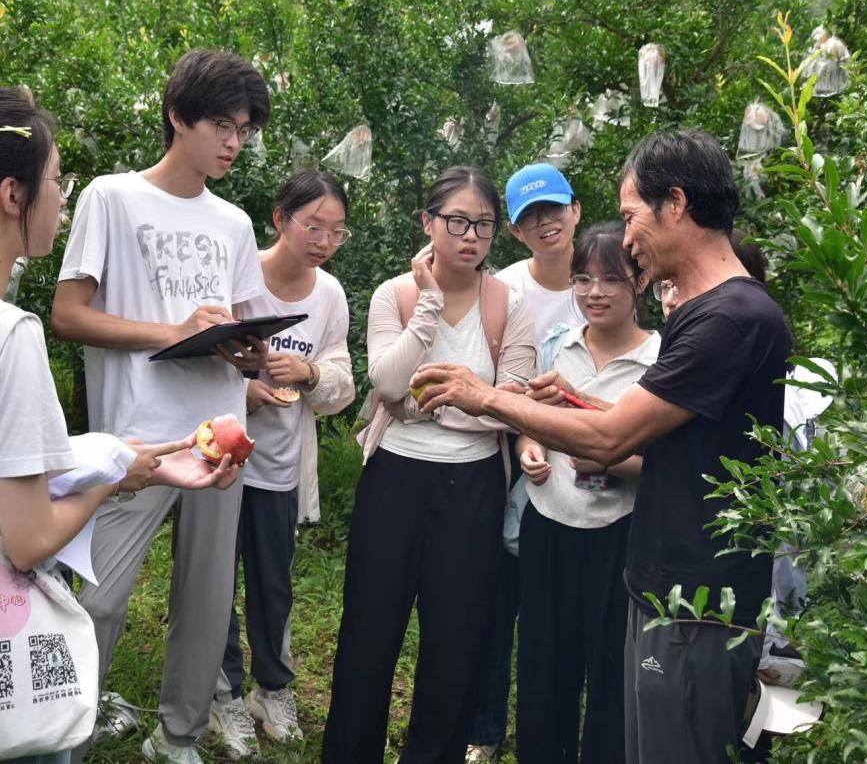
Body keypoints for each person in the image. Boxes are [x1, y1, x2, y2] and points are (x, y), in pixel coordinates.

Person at [0, 86, 236, 764]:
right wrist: (114, 477)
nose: (62, 199)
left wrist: (110, 455)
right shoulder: (6, 333)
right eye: (57, 181)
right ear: (10, 195)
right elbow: (26, 540)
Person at [414, 129, 792, 763]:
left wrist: (485, 397)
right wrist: (575, 398)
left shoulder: (730, 319)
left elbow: (614, 440)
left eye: (631, 215)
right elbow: (661, 428)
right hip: (665, 583)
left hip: (699, 598)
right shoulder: (707, 312)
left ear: (676, 204)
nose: (629, 238)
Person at [51, 49, 271, 764]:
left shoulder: (234, 223)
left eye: (243, 129)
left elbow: (239, 323)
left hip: (220, 428)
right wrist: (171, 333)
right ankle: (63, 734)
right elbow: (68, 314)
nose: (233, 142)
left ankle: (178, 734)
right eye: (221, 125)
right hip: (137, 439)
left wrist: (247, 355)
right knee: (97, 600)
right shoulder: (110, 198)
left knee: (206, 599)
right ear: (178, 115)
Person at [322, 166, 537, 764]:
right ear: (428, 223)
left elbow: (513, 404)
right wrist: (430, 309)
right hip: (395, 475)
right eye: (457, 221)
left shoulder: (509, 305)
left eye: (484, 225)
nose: (470, 236)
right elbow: (388, 382)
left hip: (473, 485)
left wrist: (433, 408)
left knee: (455, 638)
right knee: (369, 630)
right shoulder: (395, 294)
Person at [207, 170, 356, 758]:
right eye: (313, 226)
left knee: (274, 583)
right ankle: (223, 693)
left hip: (280, 467)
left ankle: (272, 689)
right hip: (220, 462)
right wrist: (241, 391)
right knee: (215, 579)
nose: (324, 241)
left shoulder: (329, 296)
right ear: (280, 219)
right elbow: (198, 359)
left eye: (337, 232)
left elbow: (342, 385)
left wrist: (309, 373)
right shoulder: (239, 280)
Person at [513, 222, 659, 763]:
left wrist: (613, 459)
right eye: (582, 280)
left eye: (611, 280)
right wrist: (530, 446)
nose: (595, 293)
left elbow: (668, 468)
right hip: (549, 525)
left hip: (619, 537)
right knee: (542, 666)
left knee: (612, 673)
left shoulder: (661, 363)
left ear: (640, 282)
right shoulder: (559, 345)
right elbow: (532, 418)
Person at [466, 162, 585, 763]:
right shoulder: (505, 289)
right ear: (514, 230)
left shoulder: (605, 274)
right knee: (498, 599)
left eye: (554, 209)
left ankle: (562, 730)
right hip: (515, 453)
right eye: (530, 217)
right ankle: (485, 730)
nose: (546, 223)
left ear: (575, 211)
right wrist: (526, 433)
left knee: (566, 608)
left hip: (594, 455)